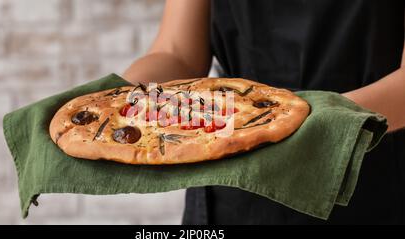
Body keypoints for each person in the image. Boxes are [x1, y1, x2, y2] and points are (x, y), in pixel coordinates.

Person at [123, 0, 405, 224]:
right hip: (231, 189)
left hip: (366, 175)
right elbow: (177, 53)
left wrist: (302, 121)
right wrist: (120, 97)